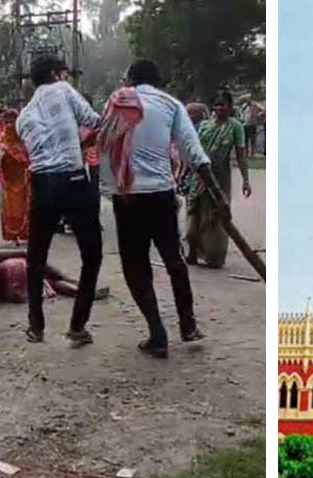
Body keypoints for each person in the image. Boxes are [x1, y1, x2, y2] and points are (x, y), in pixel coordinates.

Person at [105, 60, 228, 358]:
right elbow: (192, 150)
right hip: (161, 194)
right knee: (174, 260)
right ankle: (188, 324)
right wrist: (218, 194)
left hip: (128, 196)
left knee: (136, 268)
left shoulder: (116, 102)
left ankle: (157, 332)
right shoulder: (172, 104)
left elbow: (105, 146)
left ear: (131, 78)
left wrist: (111, 191)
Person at [16, 54, 102, 346]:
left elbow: (41, 151)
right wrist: (83, 143)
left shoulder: (22, 117)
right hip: (75, 180)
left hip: (42, 185)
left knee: (36, 258)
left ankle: (36, 326)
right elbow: (94, 122)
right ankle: (78, 326)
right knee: (91, 255)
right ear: (56, 74)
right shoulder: (63, 90)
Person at [184, 91, 252, 269]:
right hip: (199, 176)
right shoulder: (204, 126)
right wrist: (183, 173)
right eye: (217, 105)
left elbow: (240, 155)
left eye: (223, 105)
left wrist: (246, 180)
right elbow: (194, 153)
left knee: (215, 216)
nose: (220, 108)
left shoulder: (236, 127)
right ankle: (192, 251)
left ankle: (213, 255)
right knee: (194, 211)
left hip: (220, 177)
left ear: (230, 107)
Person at [0, 109, 30, 244]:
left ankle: (25, 233)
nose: (10, 124)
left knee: (25, 206)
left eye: (13, 121)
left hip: (24, 178)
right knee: (11, 208)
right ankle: (13, 236)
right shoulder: (3, 139)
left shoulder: (25, 137)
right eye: (7, 122)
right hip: (9, 180)